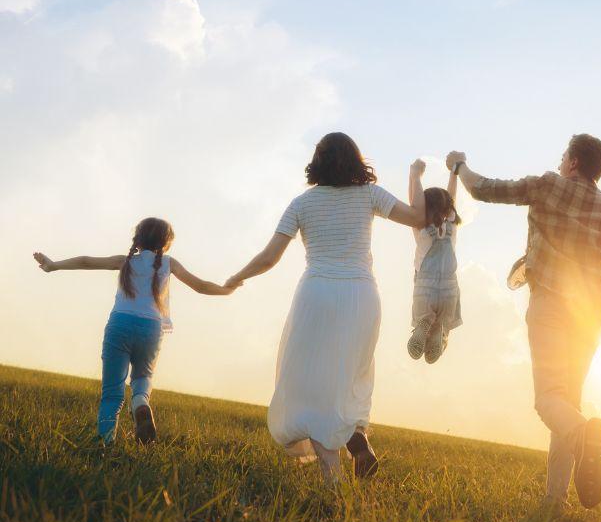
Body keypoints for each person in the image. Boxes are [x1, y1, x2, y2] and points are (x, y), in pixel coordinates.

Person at [446, 134, 601, 510]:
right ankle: (555, 499)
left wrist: (459, 165)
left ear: (574, 163)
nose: (561, 161)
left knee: (549, 399)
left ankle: (583, 437)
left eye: (564, 156)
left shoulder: (548, 186)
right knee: (568, 402)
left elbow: (483, 189)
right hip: (589, 318)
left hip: (549, 304)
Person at [225, 133, 427, 485]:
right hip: (361, 296)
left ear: (317, 162)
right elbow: (418, 218)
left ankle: (333, 478)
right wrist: (416, 177)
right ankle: (356, 435)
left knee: (311, 386)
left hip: (316, 294)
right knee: (350, 376)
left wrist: (237, 277)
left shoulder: (302, 203)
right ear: (354, 160)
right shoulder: (369, 195)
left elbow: (270, 257)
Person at [32, 217, 236, 444]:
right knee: (143, 377)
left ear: (137, 240)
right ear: (166, 244)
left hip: (120, 324)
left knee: (112, 393)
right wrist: (227, 289)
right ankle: (140, 402)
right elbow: (200, 286)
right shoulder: (170, 264)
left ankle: (104, 445)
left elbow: (87, 261)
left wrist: (53, 265)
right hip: (151, 328)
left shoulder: (125, 261)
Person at [406, 159, 463, 364]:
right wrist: (453, 174)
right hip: (449, 289)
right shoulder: (451, 225)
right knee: (444, 322)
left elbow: (414, 203)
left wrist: (415, 176)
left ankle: (424, 323)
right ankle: (441, 331)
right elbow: (451, 198)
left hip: (425, 287)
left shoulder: (421, 228)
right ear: (449, 210)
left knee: (424, 317)